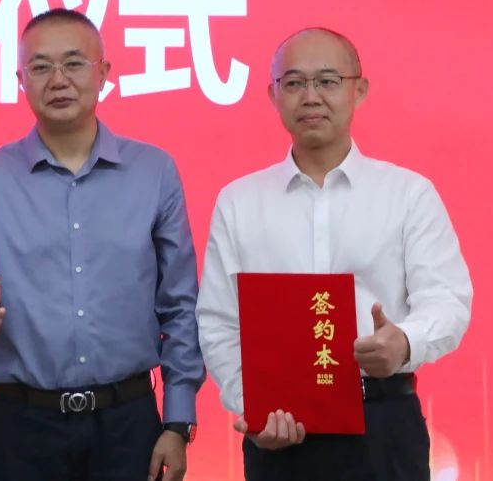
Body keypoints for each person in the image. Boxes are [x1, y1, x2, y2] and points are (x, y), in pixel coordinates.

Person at [0, 8, 204, 481]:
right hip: (21, 425)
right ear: (21, 80)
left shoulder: (154, 172)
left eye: (74, 63)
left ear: (104, 73)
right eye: (40, 67)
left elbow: (179, 304)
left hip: (127, 424)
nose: (58, 80)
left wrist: (178, 421)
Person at [196, 28, 473, 481]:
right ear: (272, 94)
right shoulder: (240, 201)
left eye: (327, 81)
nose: (311, 96)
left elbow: (448, 300)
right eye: (294, 83)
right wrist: (254, 408)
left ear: (358, 90)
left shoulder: (407, 194)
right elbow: (218, 321)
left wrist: (404, 342)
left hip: (383, 423)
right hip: (280, 429)